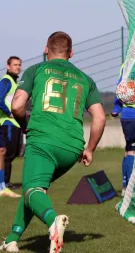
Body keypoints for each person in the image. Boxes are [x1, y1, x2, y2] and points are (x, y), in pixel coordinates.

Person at [0, 32, 106, 253]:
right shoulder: (86, 79)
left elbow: (18, 105)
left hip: (43, 141)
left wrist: (24, 125)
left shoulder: (35, 70)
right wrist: (90, 149)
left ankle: (53, 222)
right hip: (73, 148)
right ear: (71, 53)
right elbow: (100, 117)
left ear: (46, 50)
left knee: (32, 189)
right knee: (34, 188)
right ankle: (12, 239)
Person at [111, 63, 135, 196]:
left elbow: (120, 89)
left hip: (126, 116)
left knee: (128, 150)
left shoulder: (125, 65)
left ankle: (125, 186)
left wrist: (116, 108)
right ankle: (131, 188)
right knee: (133, 152)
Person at [0, 56, 22, 198]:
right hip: (7, 123)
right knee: (6, 153)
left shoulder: (14, 82)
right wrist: (9, 114)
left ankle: (5, 183)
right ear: (8, 66)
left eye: (19, 65)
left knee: (10, 153)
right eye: (15, 65)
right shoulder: (6, 81)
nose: (18, 67)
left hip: (14, 124)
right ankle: (4, 184)